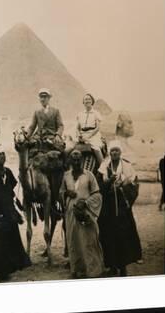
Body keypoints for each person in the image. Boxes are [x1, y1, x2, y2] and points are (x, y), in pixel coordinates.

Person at [0, 146, 31, 282]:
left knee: (11, 238)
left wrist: (16, 206)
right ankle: (0, 272)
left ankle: (11, 267)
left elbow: (10, 190)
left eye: (4, 154)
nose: (2, 157)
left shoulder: (8, 172)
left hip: (9, 210)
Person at [97, 141, 142, 276]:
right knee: (108, 234)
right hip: (108, 207)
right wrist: (109, 183)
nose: (114, 153)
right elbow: (99, 185)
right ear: (109, 153)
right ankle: (112, 265)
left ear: (120, 152)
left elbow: (134, 184)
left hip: (122, 207)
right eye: (112, 151)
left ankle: (123, 266)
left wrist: (122, 188)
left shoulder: (127, 166)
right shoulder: (104, 167)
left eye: (117, 151)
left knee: (123, 235)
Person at [60, 150, 105, 278]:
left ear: (82, 161)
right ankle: (77, 270)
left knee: (88, 241)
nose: (76, 162)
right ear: (70, 161)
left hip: (85, 213)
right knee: (73, 241)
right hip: (70, 214)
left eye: (78, 159)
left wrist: (85, 203)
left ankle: (93, 271)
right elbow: (60, 193)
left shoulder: (89, 175)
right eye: (73, 159)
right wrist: (67, 193)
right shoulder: (66, 176)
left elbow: (97, 194)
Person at [71, 93, 104, 164]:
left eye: (89, 99)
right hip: (82, 135)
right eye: (85, 99)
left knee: (96, 149)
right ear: (83, 102)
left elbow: (97, 128)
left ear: (92, 101)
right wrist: (79, 135)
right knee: (70, 148)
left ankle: (103, 169)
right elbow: (77, 128)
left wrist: (89, 136)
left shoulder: (96, 113)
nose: (87, 101)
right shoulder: (80, 114)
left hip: (93, 135)